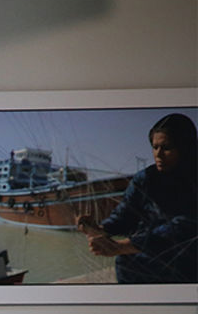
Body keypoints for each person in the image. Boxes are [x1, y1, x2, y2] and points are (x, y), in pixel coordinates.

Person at [76, 112, 197, 284]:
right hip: (143, 259)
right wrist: (99, 229)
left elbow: (184, 227)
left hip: (186, 262)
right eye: (155, 147)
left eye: (167, 147)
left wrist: (121, 246)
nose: (158, 154)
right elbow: (124, 215)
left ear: (186, 148)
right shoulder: (145, 178)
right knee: (126, 262)